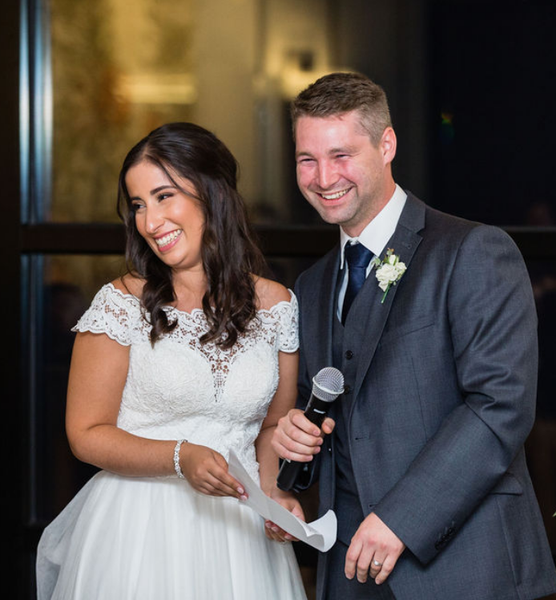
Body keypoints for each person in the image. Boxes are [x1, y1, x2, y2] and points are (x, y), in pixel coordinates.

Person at [271, 72, 556, 600]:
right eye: (306, 159)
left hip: (467, 571)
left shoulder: (472, 251)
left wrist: (402, 518)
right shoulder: (310, 288)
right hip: (349, 575)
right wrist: (296, 444)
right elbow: (330, 417)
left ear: (387, 144)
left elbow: (500, 406)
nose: (322, 176)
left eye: (341, 155)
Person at [36, 122, 307, 600]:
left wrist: (276, 497)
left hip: (240, 538)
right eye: (138, 205)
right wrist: (180, 457)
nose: (149, 221)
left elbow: (272, 428)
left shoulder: (278, 305)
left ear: (211, 193)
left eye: (164, 196)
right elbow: (85, 433)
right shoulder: (120, 304)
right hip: (140, 532)